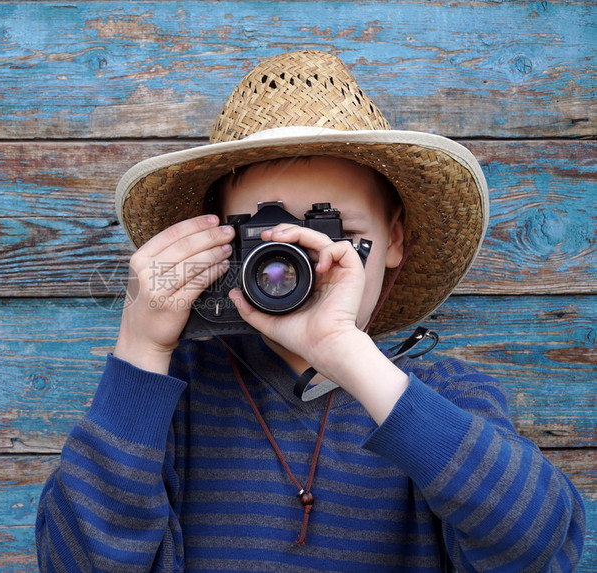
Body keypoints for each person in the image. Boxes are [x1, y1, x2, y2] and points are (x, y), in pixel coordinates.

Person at [36, 50, 585, 572]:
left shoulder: (449, 399)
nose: (298, 267)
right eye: (267, 243)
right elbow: (78, 562)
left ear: (395, 240)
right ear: (220, 246)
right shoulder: (170, 398)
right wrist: (141, 349)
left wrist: (347, 354)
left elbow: (542, 547)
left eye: (338, 235)